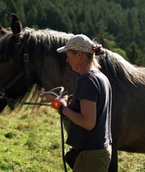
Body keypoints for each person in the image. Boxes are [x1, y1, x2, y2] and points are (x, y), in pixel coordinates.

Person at [42, 34, 112, 171]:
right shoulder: (100, 77)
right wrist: (61, 102)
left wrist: (61, 107)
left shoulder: (87, 80)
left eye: (68, 55)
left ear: (79, 54)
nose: (67, 61)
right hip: (98, 152)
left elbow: (88, 122)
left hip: (90, 156)